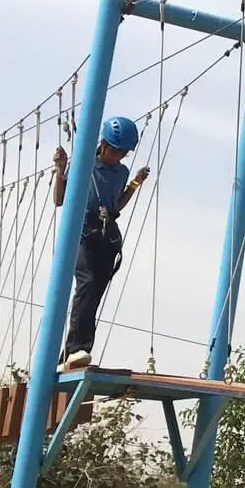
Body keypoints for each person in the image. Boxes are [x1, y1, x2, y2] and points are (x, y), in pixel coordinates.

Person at [51, 116, 149, 371]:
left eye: (123, 153)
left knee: (95, 293)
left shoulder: (122, 172)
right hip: (82, 233)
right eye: (115, 150)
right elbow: (59, 200)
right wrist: (61, 170)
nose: (118, 156)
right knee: (87, 285)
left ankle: (70, 354)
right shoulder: (83, 165)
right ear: (103, 144)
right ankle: (77, 349)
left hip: (106, 235)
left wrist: (136, 183)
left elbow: (117, 205)